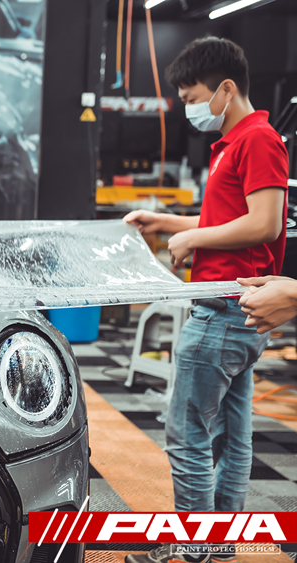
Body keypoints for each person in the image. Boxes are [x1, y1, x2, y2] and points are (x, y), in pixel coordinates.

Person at [123, 37, 289, 563]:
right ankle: (216, 546)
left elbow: (265, 223)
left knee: (187, 436)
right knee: (230, 438)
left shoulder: (257, 140)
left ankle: (190, 548)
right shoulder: (235, 142)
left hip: (222, 313)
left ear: (225, 89)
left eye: (192, 97)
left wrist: (192, 238)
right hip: (234, 313)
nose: (189, 108)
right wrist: (166, 222)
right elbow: (227, 221)